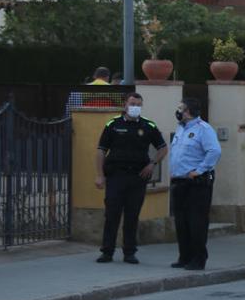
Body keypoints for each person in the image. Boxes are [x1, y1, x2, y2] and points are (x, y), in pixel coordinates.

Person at [95, 93, 168, 264]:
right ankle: (107, 251)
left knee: (132, 215)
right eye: (132, 103)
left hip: (137, 177)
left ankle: (129, 252)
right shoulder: (113, 124)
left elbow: (163, 148)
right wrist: (99, 175)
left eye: (139, 104)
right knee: (112, 214)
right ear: (125, 105)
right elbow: (100, 150)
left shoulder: (148, 125)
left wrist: (152, 164)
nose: (135, 107)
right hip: (116, 176)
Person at [169, 98, 221, 270]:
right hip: (179, 182)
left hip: (196, 183)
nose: (178, 111)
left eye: (181, 109)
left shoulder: (203, 129)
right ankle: (184, 256)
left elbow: (214, 151)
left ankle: (198, 259)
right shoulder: (181, 128)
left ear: (189, 112)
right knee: (181, 222)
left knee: (196, 222)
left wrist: (199, 170)